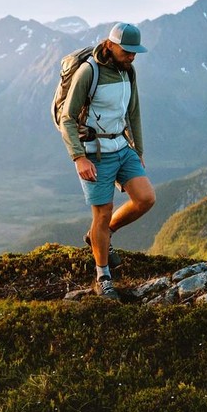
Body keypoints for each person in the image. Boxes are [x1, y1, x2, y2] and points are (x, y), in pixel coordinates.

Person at [58, 22, 156, 300]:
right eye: (127, 51)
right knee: (101, 213)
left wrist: (138, 151)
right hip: (94, 152)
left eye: (136, 52)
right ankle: (103, 276)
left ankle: (101, 235)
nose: (132, 56)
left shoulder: (129, 71)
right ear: (110, 45)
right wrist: (78, 158)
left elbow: (133, 112)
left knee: (145, 198)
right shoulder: (90, 71)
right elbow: (67, 117)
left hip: (122, 146)